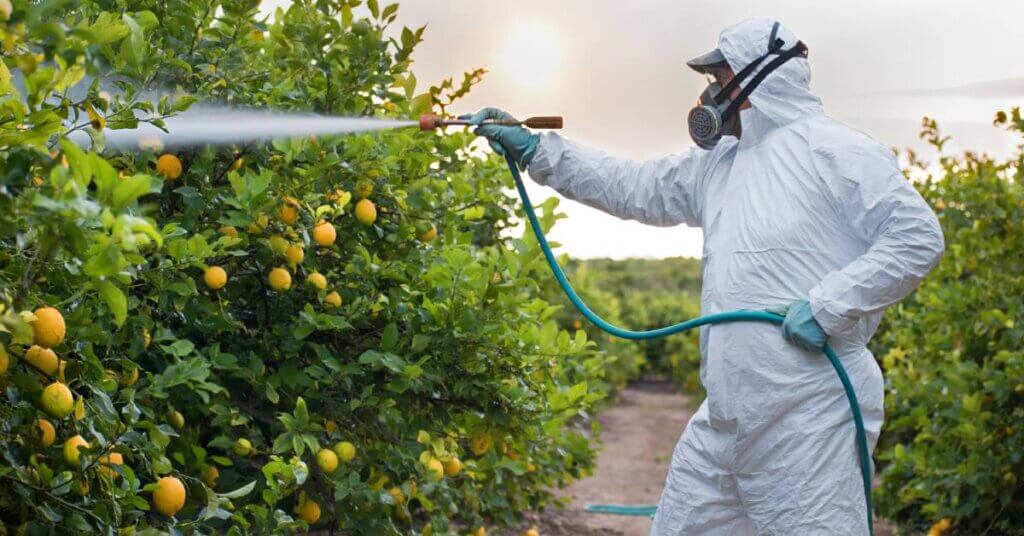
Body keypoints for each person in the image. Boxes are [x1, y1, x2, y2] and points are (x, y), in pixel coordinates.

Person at [465, 17, 944, 536]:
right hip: (727, 419)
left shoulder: (837, 152)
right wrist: (539, 151)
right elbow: (634, 186)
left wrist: (829, 305)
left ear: (756, 81)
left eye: (719, 79)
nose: (708, 93)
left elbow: (917, 237)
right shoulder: (721, 165)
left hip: (809, 417)